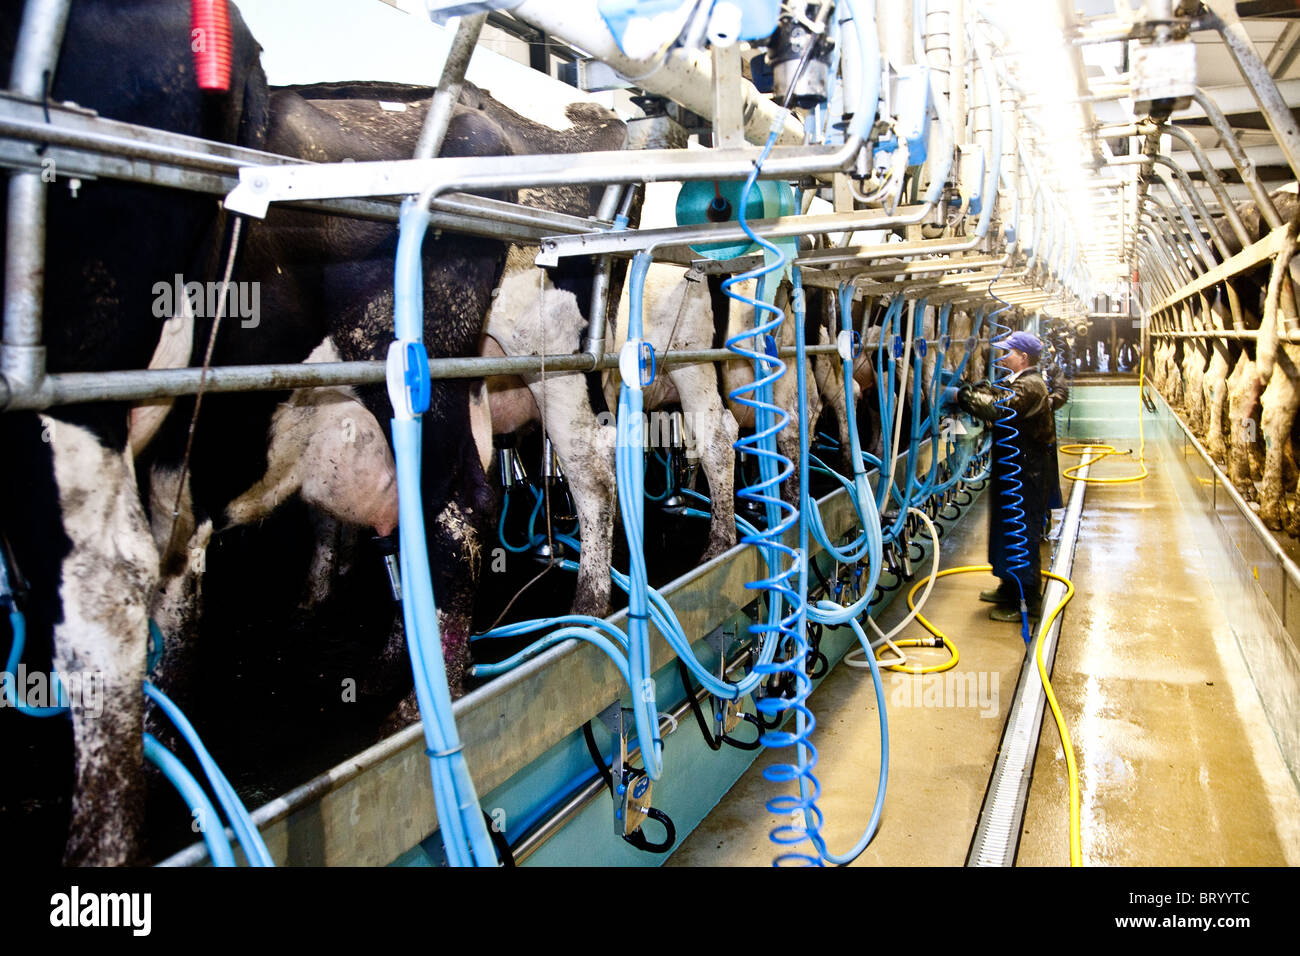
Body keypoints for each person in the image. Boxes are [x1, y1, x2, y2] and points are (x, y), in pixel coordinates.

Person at [954, 330, 1055, 623]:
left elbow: (998, 408)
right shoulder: (1019, 382)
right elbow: (998, 394)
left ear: (1023, 357)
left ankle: (1028, 603)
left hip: (1027, 473)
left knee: (1020, 533)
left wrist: (963, 395)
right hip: (1014, 469)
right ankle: (1009, 587)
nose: (1003, 355)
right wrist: (974, 388)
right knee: (1006, 530)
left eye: (1009, 351)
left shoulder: (1032, 386)